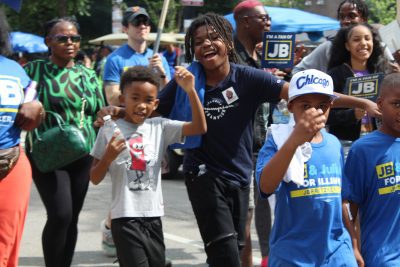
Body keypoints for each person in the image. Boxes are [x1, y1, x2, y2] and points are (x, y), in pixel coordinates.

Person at [96, 13, 380, 266]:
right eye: (198, 41)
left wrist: (362, 103)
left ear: (228, 43)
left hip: (240, 176)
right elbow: (149, 108)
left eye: (214, 38)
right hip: (203, 174)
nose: (206, 44)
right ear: (192, 50)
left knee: (236, 247)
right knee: (225, 253)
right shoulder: (186, 81)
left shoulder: (248, 78)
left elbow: (304, 95)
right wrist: (117, 110)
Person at [90, 65, 206, 266]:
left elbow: (199, 127)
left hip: (153, 217)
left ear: (156, 103)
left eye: (148, 100)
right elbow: (94, 177)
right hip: (124, 218)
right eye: (135, 98)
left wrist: (190, 90)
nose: (142, 105)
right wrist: (108, 156)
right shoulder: (109, 130)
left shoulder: (160, 126)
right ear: (122, 99)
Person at [23, 17, 105, 267]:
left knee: (72, 218)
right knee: (60, 214)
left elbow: (97, 112)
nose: (70, 43)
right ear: (49, 42)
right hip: (47, 153)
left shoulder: (88, 74)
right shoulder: (33, 71)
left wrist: (108, 114)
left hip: (81, 153)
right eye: (62, 38)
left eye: (75, 38)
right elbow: (19, 105)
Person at [256, 69, 358, 266]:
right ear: (291, 106)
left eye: (322, 106)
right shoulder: (278, 141)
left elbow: (341, 199)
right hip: (293, 256)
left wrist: (353, 243)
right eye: (306, 105)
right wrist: (295, 140)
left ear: (331, 106)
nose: (315, 112)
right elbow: (265, 187)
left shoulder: (334, 144)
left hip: (337, 252)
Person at [232, 1, 275, 266]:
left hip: (263, 145)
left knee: (265, 209)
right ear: (246, 22)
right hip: (239, 148)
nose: (269, 23)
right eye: (264, 18)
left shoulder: (261, 58)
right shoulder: (230, 59)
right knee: (245, 215)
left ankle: (267, 259)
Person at [0, 8, 44, 267]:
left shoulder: (15, 69)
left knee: (5, 243)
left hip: (11, 164)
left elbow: (34, 112)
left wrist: (37, 110)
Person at [342, 73, 400, 267]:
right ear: (380, 104)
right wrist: (353, 248)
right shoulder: (363, 150)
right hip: (381, 258)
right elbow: (349, 208)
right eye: (397, 104)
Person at [293, 0, 400, 74]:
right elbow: (298, 71)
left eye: (351, 16)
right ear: (347, 46)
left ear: (363, 19)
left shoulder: (381, 47)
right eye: (342, 17)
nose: (345, 21)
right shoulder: (328, 47)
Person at [327, 23, 389, 141]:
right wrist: (352, 115)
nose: (363, 43)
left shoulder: (381, 73)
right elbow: (324, 112)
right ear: (347, 46)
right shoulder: (335, 75)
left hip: (377, 139)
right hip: (345, 142)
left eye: (367, 38)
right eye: (356, 39)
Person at [103, 6, 171, 106]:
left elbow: (169, 96)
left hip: (154, 119)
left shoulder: (160, 59)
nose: (142, 26)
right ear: (125, 28)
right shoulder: (114, 59)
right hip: (125, 119)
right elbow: (112, 99)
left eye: (145, 22)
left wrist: (162, 75)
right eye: (137, 22)